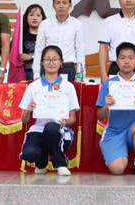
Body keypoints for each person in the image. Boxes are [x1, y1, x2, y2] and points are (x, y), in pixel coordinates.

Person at [19, 45, 80, 176]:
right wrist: (28, 111)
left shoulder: (68, 87)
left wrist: (65, 122)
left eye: (55, 59)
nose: (51, 63)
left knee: (51, 127)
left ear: (61, 62)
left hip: (59, 130)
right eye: (47, 59)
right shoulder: (33, 86)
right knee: (29, 153)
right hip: (38, 129)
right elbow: (24, 120)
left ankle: (60, 163)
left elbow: (73, 118)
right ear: (42, 62)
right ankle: (41, 162)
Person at [96, 42, 135, 176]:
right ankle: (117, 152)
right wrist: (106, 107)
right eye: (122, 58)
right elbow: (99, 116)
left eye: (130, 58)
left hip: (134, 131)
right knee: (117, 170)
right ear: (117, 61)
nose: (126, 61)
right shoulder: (108, 85)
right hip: (113, 133)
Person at [32, 0, 85, 81]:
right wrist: (36, 74)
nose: (61, 6)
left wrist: (80, 75)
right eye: (58, 3)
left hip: (68, 68)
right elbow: (39, 50)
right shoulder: (45, 24)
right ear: (53, 5)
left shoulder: (77, 24)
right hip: (48, 67)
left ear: (70, 5)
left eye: (64, 3)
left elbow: (80, 50)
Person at [19, 4, 46, 81]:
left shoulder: (47, 36)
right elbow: (12, 53)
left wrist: (32, 57)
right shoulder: (20, 36)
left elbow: (50, 54)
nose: (35, 18)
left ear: (43, 18)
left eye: (38, 15)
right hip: (24, 72)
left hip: (43, 71)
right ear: (26, 17)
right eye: (31, 15)